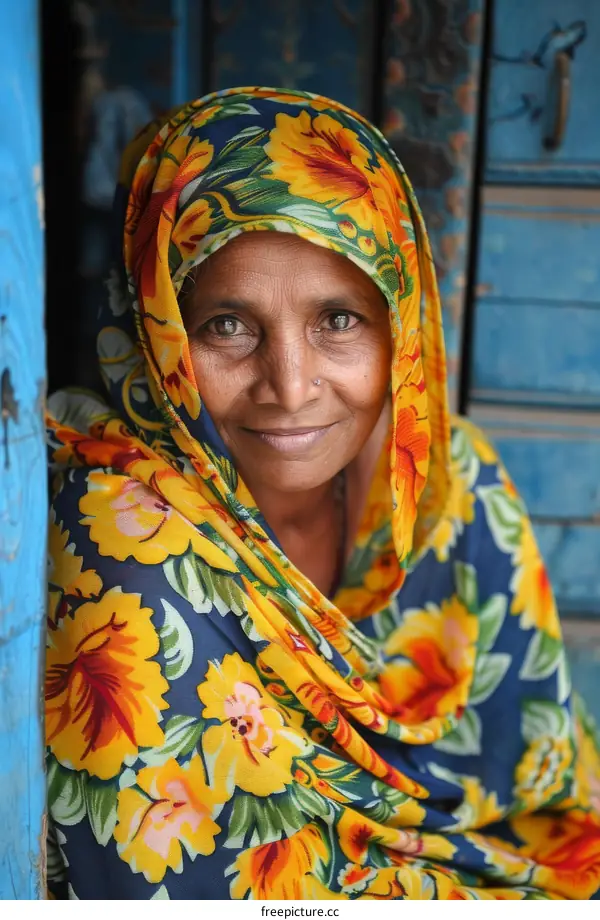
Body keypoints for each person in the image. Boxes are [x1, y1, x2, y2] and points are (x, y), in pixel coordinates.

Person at [45, 87, 600, 901]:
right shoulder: (120, 534)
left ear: (401, 326)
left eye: (338, 320)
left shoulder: (450, 488)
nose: (291, 387)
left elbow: (553, 805)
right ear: (157, 326)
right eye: (227, 324)